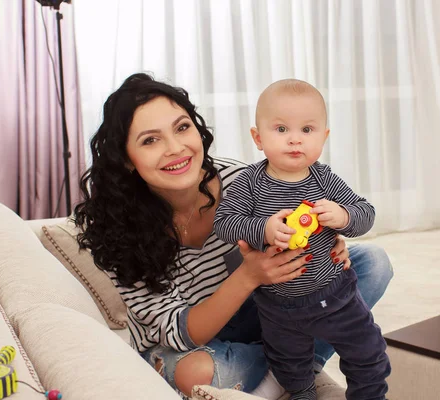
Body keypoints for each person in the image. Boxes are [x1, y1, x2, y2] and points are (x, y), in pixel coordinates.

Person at [73, 73, 394, 399]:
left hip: (267, 314)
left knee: (372, 263)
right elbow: (178, 333)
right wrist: (249, 275)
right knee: (195, 373)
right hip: (189, 343)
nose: (175, 148)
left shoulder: (241, 179)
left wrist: (329, 236)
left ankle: (290, 366)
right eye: (150, 140)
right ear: (126, 158)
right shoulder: (116, 228)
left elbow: (306, 219)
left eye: (182, 127)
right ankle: (291, 368)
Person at [214, 79, 390, 399]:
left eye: (307, 130)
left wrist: (344, 216)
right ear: (258, 137)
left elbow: (366, 212)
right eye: (281, 129)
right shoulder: (250, 184)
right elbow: (224, 223)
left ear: (323, 137)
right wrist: (263, 229)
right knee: (291, 367)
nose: (295, 139)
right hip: (278, 305)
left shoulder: (324, 179)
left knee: (367, 352)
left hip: (335, 294)